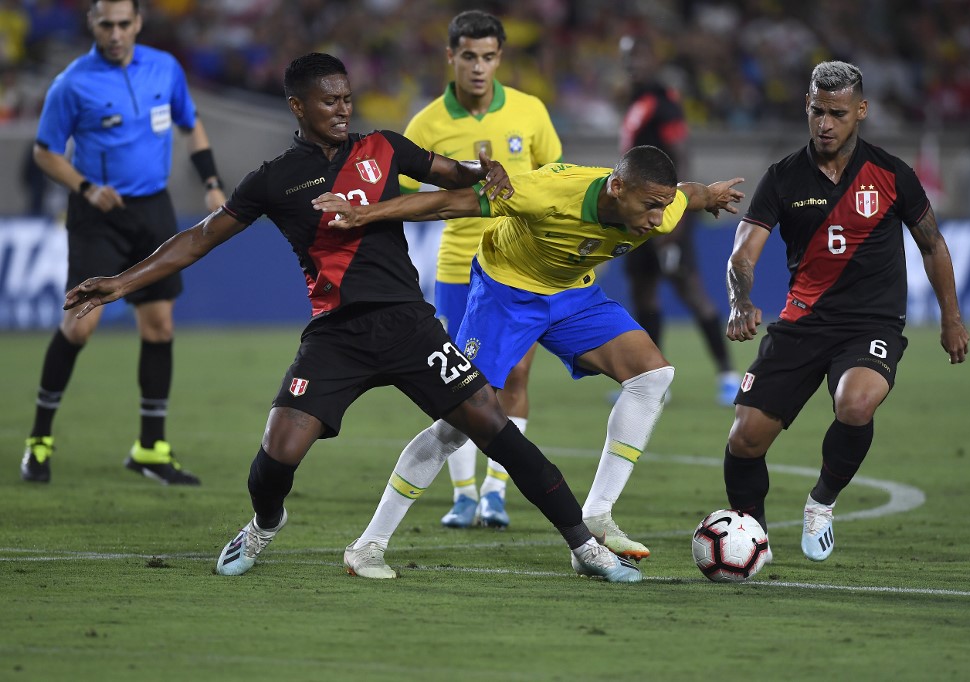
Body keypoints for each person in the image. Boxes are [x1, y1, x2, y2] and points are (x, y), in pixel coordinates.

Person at [63, 52, 641, 584]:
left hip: (409, 325)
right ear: (298, 106)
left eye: (346, 99)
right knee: (279, 450)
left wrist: (484, 171)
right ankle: (265, 522)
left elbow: (450, 172)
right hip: (337, 333)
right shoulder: (273, 178)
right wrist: (121, 281)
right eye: (329, 100)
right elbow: (199, 239)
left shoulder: (385, 147)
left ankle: (586, 548)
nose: (343, 110)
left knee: (493, 426)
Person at [316, 145, 744, 575]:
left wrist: (712, 193)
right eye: (651, 206)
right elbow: (448, 204)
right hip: (506, 296)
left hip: (572, 294)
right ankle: (368, 544)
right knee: (457, 424)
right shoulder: (546, 193)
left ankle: (596, 515)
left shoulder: (662, 207)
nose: (658, 219)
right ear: (616, 188)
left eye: (663, 207)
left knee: (653, 375)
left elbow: (690, 194)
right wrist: (363, 214)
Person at [722, 61, 970, 563]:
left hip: (871, 323)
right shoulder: (782, 178)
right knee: (745, 439)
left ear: (861, 111)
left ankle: (821, 503)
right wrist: (741, 299)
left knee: (855, 404)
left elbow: (932, 244)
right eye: (817, 111)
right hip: (803, 321)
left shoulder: (892, 173)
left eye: (837, 113)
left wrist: (951, 317)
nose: (825, 124)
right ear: (806, 109)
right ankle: (755, 542)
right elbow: (743, 253)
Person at [20, 0, 226, 485]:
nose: (115, 33)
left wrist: (211, 181)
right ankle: (39, 440)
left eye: (123, 24)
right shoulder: (72, 82)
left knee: (159, 327)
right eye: (105, 24)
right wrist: (86, 187)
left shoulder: (165, 68)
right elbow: (45, 153)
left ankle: (150, 449)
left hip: (153, 212)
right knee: (78, 328)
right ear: (93, 24)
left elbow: (189, 122)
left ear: (137, 23)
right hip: (97, 217)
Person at [400, 10, 563, 531]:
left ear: (500, 58)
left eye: (488, 57)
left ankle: (496, 490)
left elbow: (556, 179)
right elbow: (397, 196)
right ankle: (463, 494)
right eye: (468, 56)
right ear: (451, 56)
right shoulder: (427, 124)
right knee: (463, 383)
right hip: (456, 270)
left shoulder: (530, 111)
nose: (478, 67)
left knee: (516, 373)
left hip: (520, 264)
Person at [617, 35, 739, 407]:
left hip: (665, 211)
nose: (633, 65)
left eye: (639, 56)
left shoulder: (663, 102)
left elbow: (681, 155)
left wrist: (679, 212)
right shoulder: (637, 102)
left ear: (654, 59)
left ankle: (728, 375)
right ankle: (653, 380)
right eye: (628, 58)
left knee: (690, 290)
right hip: (636, 212)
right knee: (644, 289)